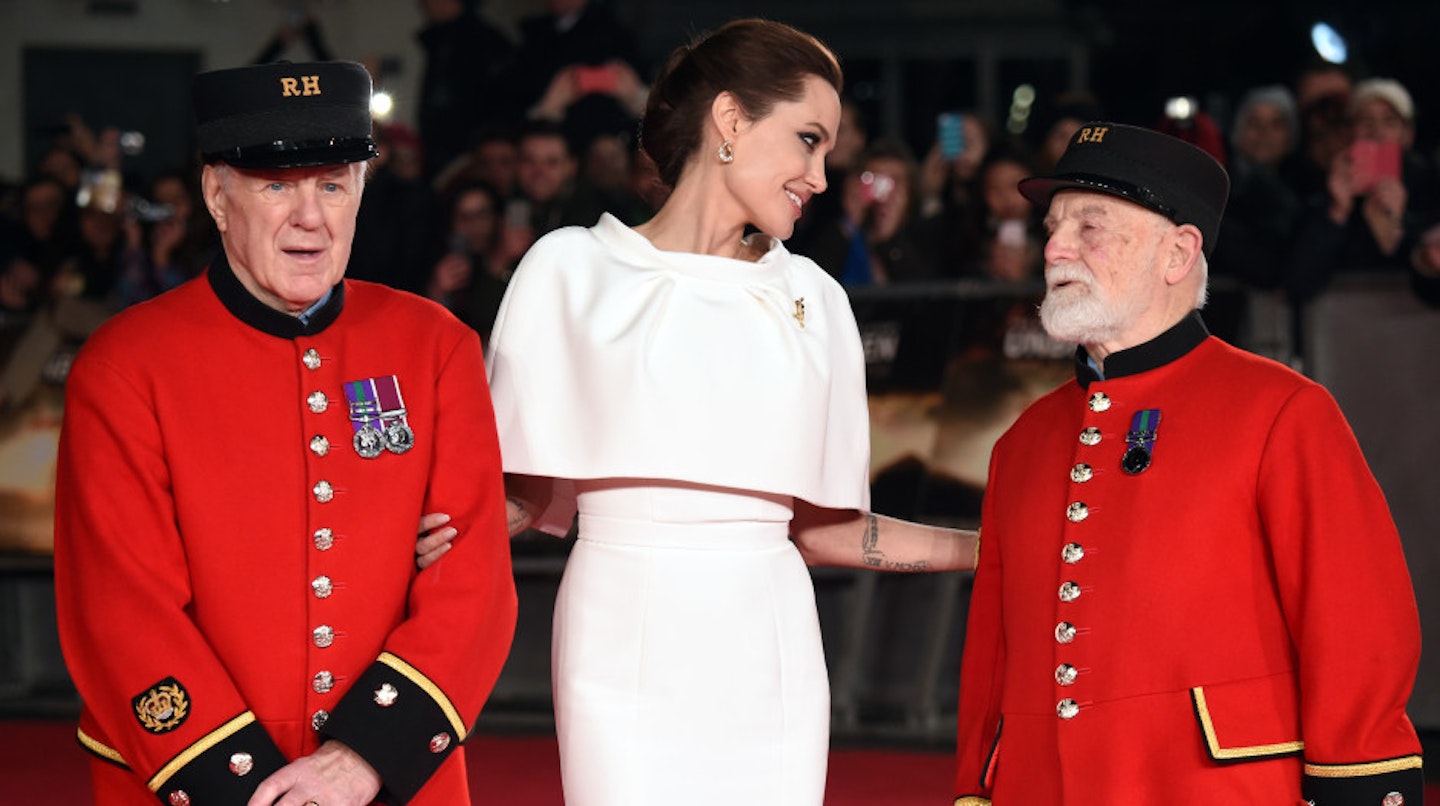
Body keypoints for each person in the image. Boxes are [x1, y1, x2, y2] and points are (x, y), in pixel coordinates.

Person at [441, 19, 975, 805]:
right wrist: (403, 530)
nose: (820, 176)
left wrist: (997, 548)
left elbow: (828, 529)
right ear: (730, 119)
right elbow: (518, 501)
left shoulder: (816, 298)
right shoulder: (569, 270)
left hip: (773, 644)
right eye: (807, 139)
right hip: (619, 636)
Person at [52, 61, 517, 806]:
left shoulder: (435, 346)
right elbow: (121, 607)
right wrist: (244, 783)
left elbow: (474, 582)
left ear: (362, 192)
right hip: (190, 773)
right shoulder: (124, 366)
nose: (312, 216)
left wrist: (365, 757)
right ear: (216, 195)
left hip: (392, 775)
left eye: (333, 184)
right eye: (277, 185)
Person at [949, 122, 1424, 802]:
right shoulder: (1022, 441)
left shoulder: (1283, 410)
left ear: (1178, 253)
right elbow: (993, 654)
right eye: (1054, 226)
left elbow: (1356, 625)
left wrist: (1359, 780)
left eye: (1091, 225)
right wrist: (979, 787)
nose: (1053, 247)